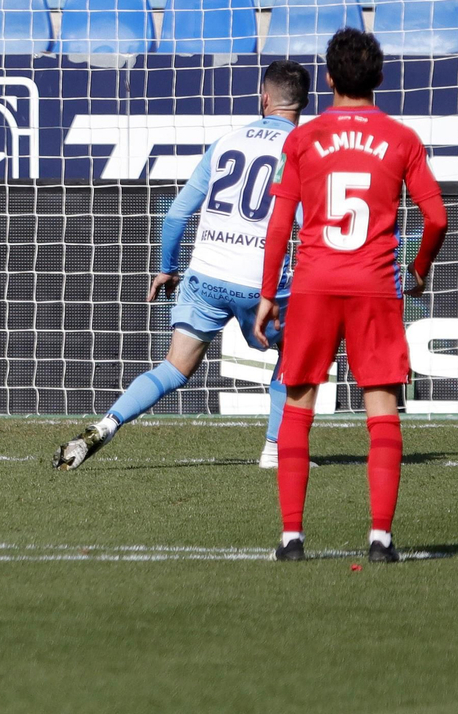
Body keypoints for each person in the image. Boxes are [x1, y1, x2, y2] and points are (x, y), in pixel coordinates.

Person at [56, 61, 312, 471]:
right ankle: (274, 450)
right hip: (259, 281)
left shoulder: (228, 141)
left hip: (205, 273)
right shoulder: (304, 147)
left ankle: (107, 424)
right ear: (305, 102)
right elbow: (305, 223)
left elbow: (175, 215)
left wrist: (168, 268)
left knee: (174, 367)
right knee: (297, 353)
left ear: (264, 97)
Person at [255, 28, 448, 563]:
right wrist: (418, 270)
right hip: (374, 286)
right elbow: (437, 217)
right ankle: (380, 539)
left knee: (299, 404)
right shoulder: (402, 138)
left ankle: (292, 539)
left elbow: (279, 224)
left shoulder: (302, 139)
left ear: (329, 79)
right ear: (380, 77)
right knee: (381, 407)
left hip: (314, 284)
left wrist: (268, 293)